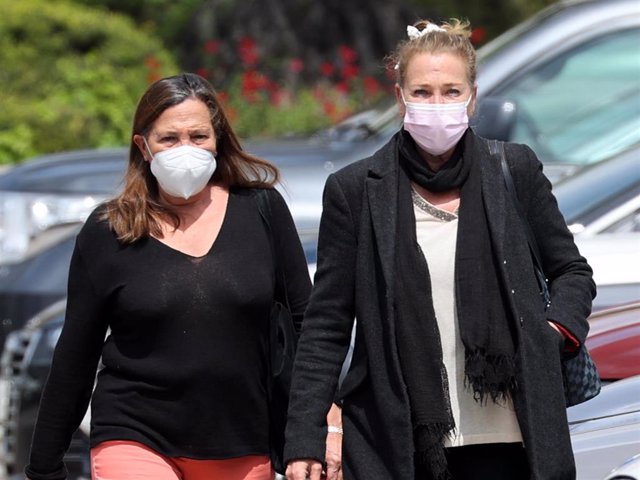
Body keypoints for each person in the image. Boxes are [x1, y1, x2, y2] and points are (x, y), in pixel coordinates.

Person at [284, 19, 596, 480]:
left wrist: (548, 332)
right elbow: (327, 323)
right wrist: (305, 437)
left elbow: (572, 271)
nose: (437, 105)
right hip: (400, 441)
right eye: (423, 92)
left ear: (472, 98)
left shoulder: (514, 170)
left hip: (513, 435)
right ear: (399, 98)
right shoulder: (355, 190)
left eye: (451, 92)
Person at [25, 73, 317, 480]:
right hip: (134, 433)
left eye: (198, 136)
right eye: (169, 139)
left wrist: (320, 427)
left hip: (242, 440)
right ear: (143, 146)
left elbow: (309, 327)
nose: (186, 150)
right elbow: (76, 352)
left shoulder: (262, 210)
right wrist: (44, 467)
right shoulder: (110, 229)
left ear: (218, 139)